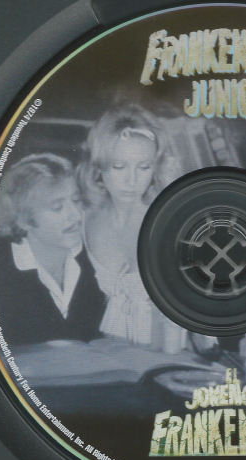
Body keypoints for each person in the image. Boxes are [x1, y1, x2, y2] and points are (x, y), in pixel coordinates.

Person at [78, 103, 185, 350]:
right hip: (108, 354)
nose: (132, 180)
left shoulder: (172, 223)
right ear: (98, 165)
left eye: (144, 167)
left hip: (168, 351)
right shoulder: (83, 220)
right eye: (119, 167)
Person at [0, 153, 106, 346]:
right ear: (23, 219)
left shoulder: (95, 256)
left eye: (76, 200)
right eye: (57, 207)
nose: (76, 215)